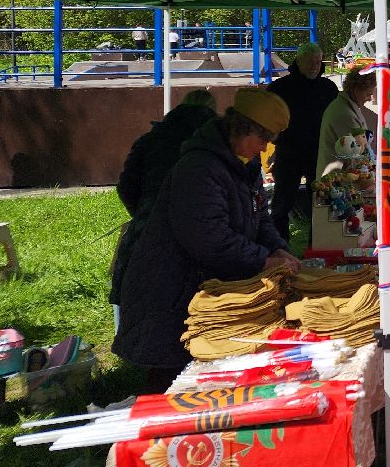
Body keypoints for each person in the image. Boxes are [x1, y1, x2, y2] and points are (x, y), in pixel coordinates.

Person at [114, 88, 302, 392]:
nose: (265, 147)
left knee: (205, 380)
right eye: (263, 138)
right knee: (172, 383)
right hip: (171, 290)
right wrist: (265, 261)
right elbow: (209, 238)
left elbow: (260, 217)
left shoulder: (246, 163)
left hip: (200, 288)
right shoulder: (199, 168)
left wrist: (279, 249)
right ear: (241, 128)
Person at [112, 89, 218, 317]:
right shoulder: (215, 143)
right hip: (200, 238)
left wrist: (145, 212)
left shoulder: (150, 139)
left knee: (135, 301)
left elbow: (126, 187)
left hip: (146, 231)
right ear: (213, 111)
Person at [266, 42, 338, 242]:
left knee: (319, 202)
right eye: (309, 62)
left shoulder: (328, 88)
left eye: (318, 62)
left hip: (318, 153)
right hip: (288, 153)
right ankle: (280, 247)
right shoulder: (279, 88)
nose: (314, 66)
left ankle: (316, 245)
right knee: (282, 203)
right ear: (298, 61)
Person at [316, 65, 377, 180]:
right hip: (337, 179)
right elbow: (357, 154)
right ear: (356, 89)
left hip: (338, 176)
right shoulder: (344, 114)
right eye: (368, 94)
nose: (370, 99)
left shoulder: (344, 106)